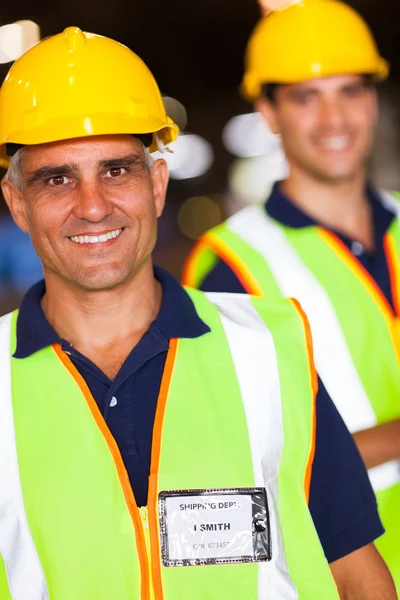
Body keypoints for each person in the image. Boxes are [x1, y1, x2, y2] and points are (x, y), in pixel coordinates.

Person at [0, 26, 395, 600]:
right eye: (57, 178)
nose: (92, 206)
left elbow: (357, 574)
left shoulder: (270, 347)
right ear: (18, 205)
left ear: (157, 185)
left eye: (116, 170)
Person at [182, 0, 400, 590]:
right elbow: (234, 472)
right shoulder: (229, 266)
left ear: (373, 99)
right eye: (307, 96)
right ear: (268, 111)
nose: (335, 118)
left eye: (350, 91)